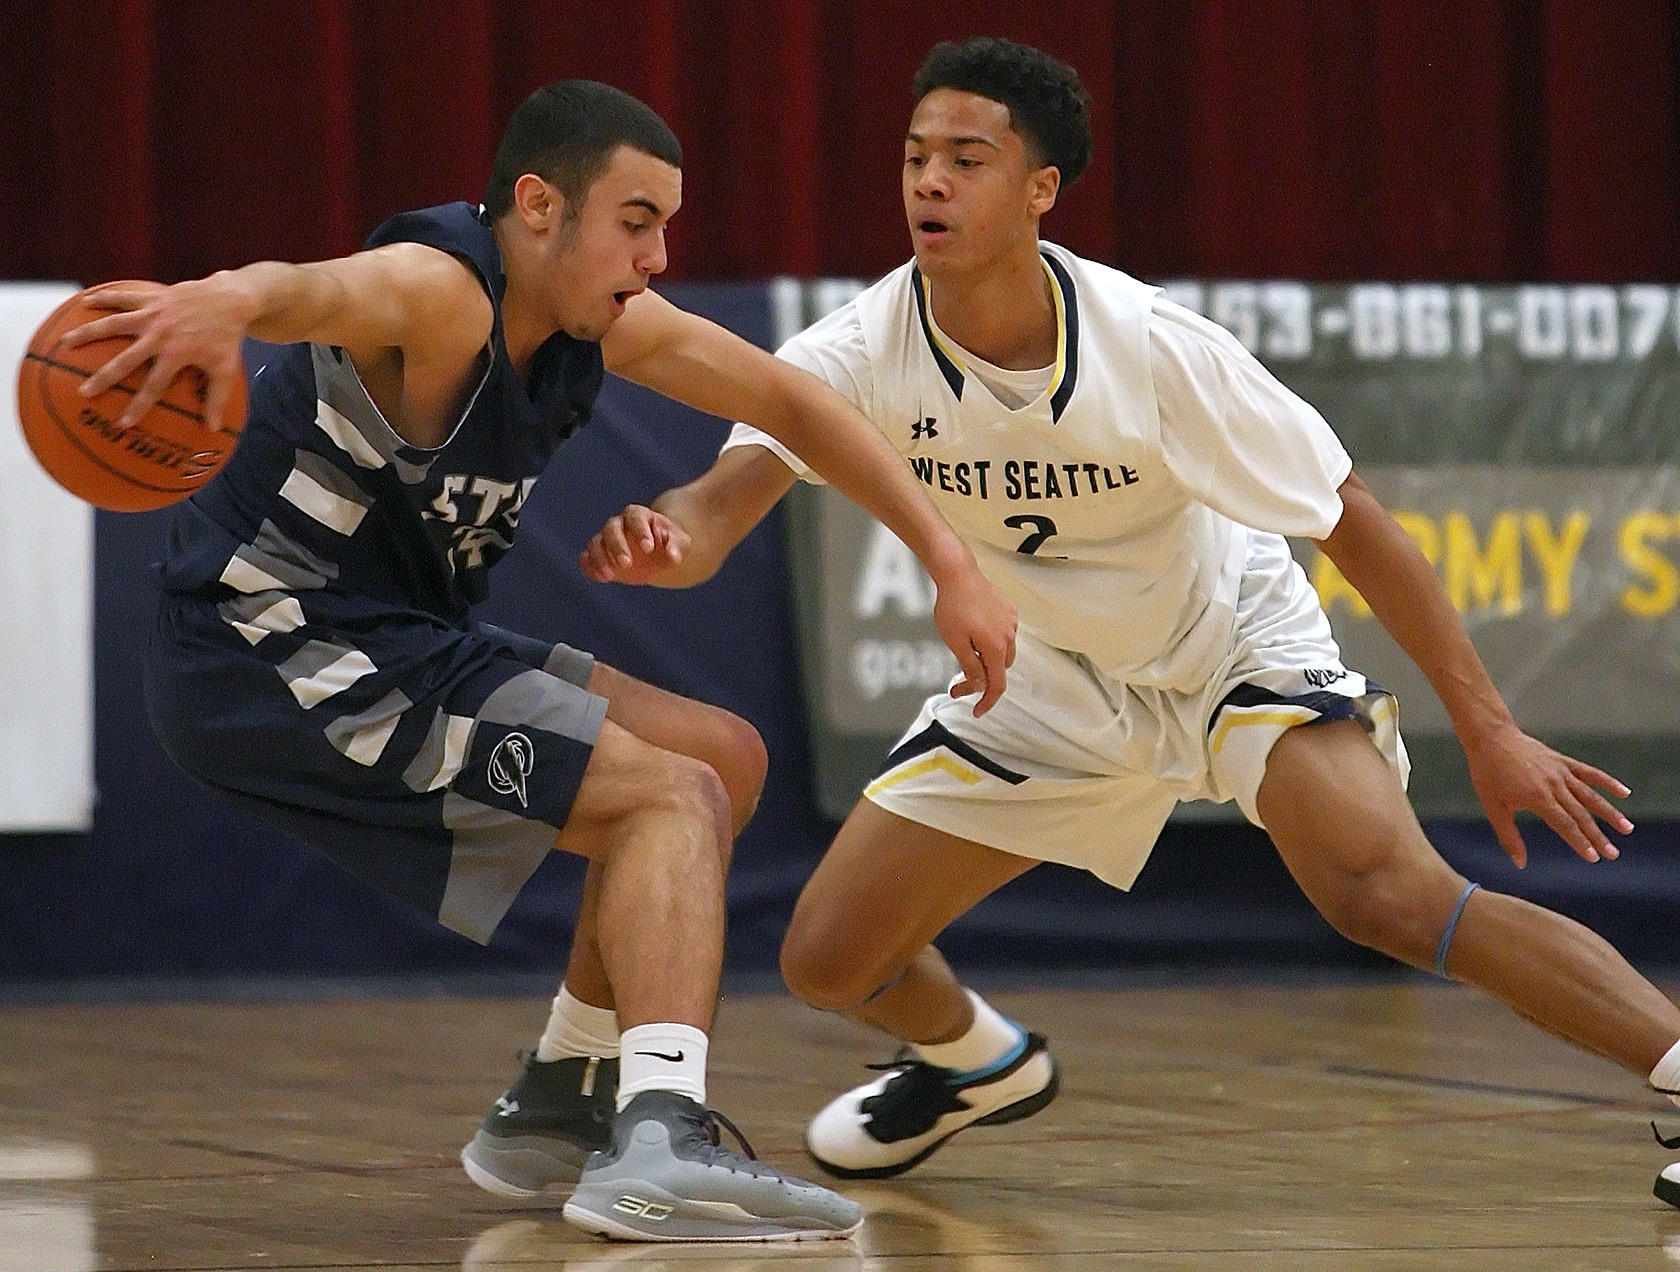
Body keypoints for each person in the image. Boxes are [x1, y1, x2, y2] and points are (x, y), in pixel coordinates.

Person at [573, 37, 1680, 1203]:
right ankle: (976, 1064)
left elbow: (1352, 521)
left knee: (1385, 896)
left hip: (1225, 649)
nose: (929, 183)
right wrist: (669, 538)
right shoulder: (858, 351)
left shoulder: (1151, 347)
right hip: (1052, 676)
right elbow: (719, 506)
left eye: (966, 159)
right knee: (826, 959)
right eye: (914, 158)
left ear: (1041, 189)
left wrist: (1491, 728)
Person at [65, 79, 1018, 1243]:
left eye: (667, 226)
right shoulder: (442, 291)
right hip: (266, 641)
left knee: (720, 754)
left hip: (394, 634)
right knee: (669, 799)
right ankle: (660, 1136)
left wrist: (948, 561)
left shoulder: (596, 325)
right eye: (636, 221)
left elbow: (794, 403)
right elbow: (318, 289)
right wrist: (220, 300)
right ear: (537, 206)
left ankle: (559, 1100)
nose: (660, 255)